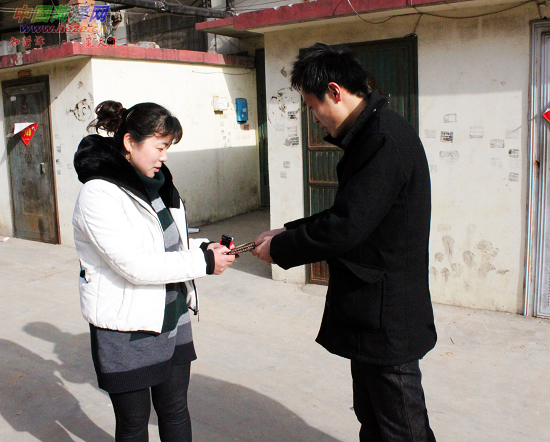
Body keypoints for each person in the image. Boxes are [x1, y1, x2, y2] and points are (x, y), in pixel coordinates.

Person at [252, 43, 437, 442]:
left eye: (312, 106)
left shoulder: (384, 139)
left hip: (387, 315)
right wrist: (286, 231)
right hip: (369, 308)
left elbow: (346, 226)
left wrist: (282, 249)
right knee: (373, 418)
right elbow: (351, 210)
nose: (313, 117)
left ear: (335, 92)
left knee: (402, 428)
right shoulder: (369, 134)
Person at [72, 100, 235, 442]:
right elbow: (135, 264)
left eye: (168, 147)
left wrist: (204, 249)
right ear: (129, 142)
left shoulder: (158, 187)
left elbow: (169, 243)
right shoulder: (98, 194)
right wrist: (204, 263)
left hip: (172, 319)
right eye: (160, 147)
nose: (165, 157)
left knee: (175, 410)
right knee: (134, 424)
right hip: (127, 329)